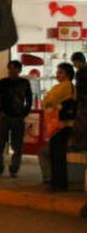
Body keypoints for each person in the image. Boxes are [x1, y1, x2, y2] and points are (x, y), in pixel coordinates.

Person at [36, 62, 77, 190]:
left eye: (61, 72)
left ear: (67, 74)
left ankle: (57, 183)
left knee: (56, 154)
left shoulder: (64, 87)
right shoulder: (68, 87)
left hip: (61, 124)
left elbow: (48, 100)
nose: (57, 74)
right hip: (63, 124)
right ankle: (56, 182)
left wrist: (49, 103)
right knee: (55, 153)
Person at [0, 59, 33, 177]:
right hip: (5, 116)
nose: (11, 71)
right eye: (10, 69)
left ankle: (14, 169)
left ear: (19, 70)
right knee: (0, 144)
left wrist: (24, 113)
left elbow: (29, 100)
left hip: (18, 117)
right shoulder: (2, 83)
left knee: (17, 146)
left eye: (14, 69)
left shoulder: (25, 83)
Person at [70, 51, 87, 149]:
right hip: (83, 100)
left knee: (81, 122)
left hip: (82, 101)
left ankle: (80, 144)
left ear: (79, 61)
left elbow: (78, 88)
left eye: (74, 62)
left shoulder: (80, 72)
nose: (74, 65)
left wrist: (75, 99)